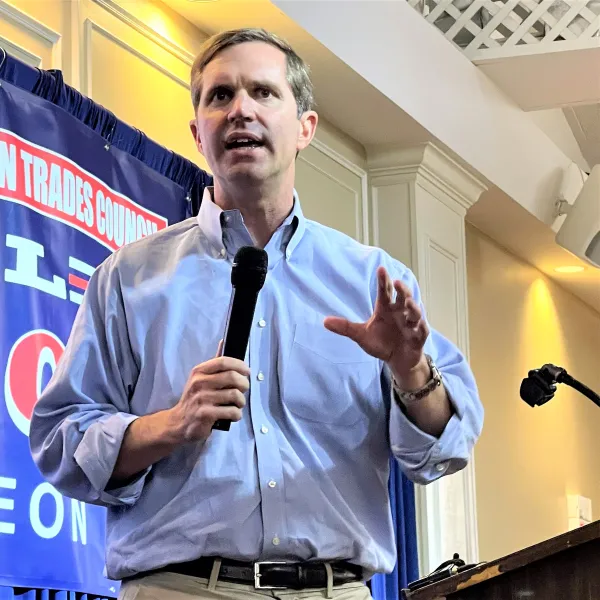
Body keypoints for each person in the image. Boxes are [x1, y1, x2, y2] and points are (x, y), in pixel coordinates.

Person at [29, 27, 483, 600]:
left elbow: (444, 451)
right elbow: (57, 440)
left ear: (304, 129)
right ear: (198, 134)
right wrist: (169, 424)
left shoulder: (371, 280)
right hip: (181, 589)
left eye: (263, 93)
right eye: (220, 96)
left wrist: (411, 370)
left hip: (335, 589)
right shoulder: (128, 278)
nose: (241, 109)